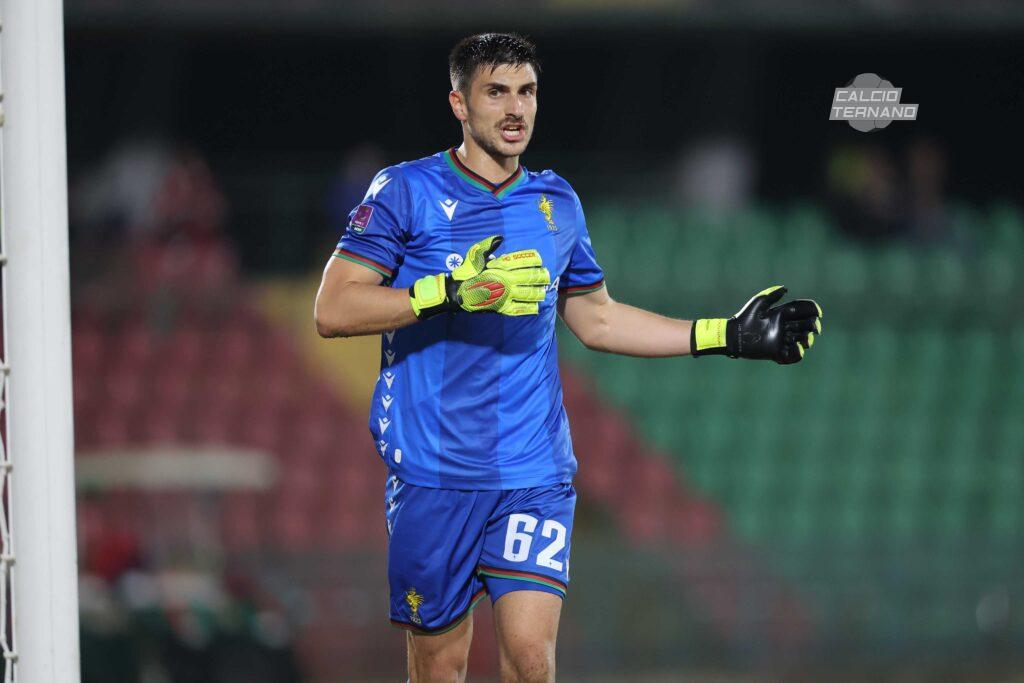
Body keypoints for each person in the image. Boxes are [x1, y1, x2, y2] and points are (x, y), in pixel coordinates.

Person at [314, 32, 822, 683]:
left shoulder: (556, 204)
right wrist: (447, 291)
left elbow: (597, 317)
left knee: (532, 659)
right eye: (496, 92)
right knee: (440, 666)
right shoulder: (405, 191)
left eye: (526, 91)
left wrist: (724, 333)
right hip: (435, 475)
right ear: (460, 104)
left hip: (534, 470)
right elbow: (332, 310)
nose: (516, 107)